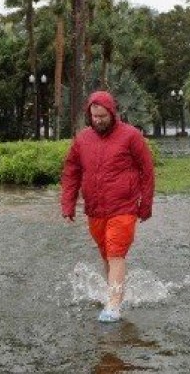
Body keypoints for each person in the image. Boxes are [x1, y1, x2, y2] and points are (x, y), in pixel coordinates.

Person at [61, 91, 155, 323]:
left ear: (112, 113)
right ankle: (116, 290)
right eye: (94, 116)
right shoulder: (82, 139)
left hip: (124, 207)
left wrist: (146, 204)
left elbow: (147, 170)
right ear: (89, 115)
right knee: (106, 255)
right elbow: (71, 171)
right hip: (95, 208)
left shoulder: (131, 136)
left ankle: (113, 304)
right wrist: (68, 203)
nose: (99, 120)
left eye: (103, 116)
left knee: (115, 252)